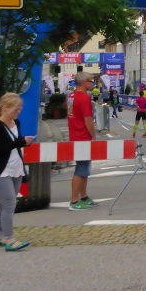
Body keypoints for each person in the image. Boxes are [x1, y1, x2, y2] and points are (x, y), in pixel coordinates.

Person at [0, 93, 35, 251]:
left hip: (15, 168)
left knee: (6, 202)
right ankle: (9, 238)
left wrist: (24, 143)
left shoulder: (16, 122)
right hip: (0, 170)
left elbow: (14, 144)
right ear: (5, 108)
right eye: (16, 109)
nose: (18, 112)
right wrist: (19, 142)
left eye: (20, 109)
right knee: (9, 203)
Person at [68, 72, 98, 210]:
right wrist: (93, 135)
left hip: (74, 134)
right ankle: (74, 201)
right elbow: (87, 118)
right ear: (84, 82)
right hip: (83, 136)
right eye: (90, 81)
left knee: (84, 168)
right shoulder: (84, 97)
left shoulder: (71, 96)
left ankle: (84, 197)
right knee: (81, 169)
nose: (92, 83)